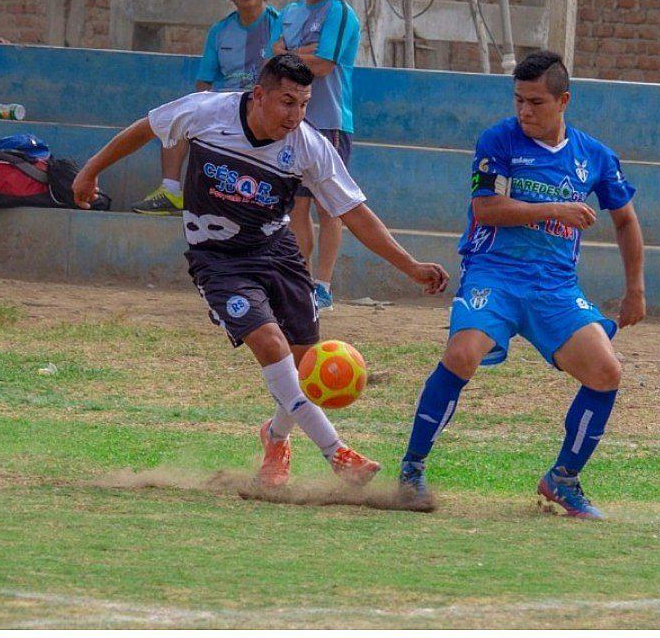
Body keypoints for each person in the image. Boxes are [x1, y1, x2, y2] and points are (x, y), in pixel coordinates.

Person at [72, 53, 449, 489]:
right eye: (288, 102)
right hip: (218, 259)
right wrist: (89, 170)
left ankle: (275, 438)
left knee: (306, 361)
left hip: (277, 252)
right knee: (271, 344)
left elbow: (354, 213)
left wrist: (410, 266)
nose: (297, 115)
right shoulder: (206, 111)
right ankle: (337, 453)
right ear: (259, 96)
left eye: (305, 104)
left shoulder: (308, 146)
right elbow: (146, 128)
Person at [395, 50, 645, 520]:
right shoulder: (499, 140)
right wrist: (555, 210)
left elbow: (626, 221)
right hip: (495, 272)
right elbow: (487, 209)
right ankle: (412, 469)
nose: (525, 112)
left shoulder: (594, 155)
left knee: (606, 373)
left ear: (563, 101)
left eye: (535, 102)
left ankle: (563, 480)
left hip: (554, 287)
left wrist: (636, 290)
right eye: (519, 101)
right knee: (462, 355)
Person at [134, 0, 280, 216]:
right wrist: (199, 108)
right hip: (226, 105)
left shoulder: (279, 24)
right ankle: (170, 190)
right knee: (178, 116)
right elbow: (205, 81)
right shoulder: (220, 30)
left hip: (262, 105)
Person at [271, 0, 361, 310]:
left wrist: (291, 54)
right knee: (297, 207)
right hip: (292, 122)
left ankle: (322, 286)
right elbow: (271, 56)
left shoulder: (341, 12)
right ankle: (299, 282)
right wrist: (299, 52)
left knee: (330, 208)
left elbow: (323, 64)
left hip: (330, 123)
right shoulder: (289, 12)